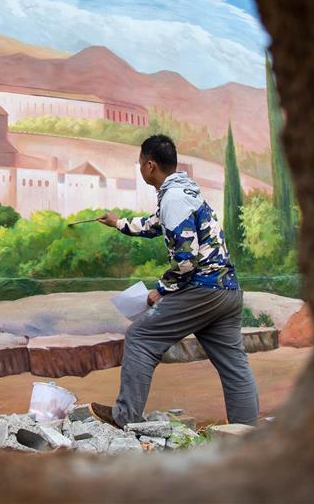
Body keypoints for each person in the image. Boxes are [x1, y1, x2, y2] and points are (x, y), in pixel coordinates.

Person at [91, 134, 259, 428]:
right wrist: (118, 222)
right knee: (235, 367)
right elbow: (153, 225)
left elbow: (186, 260)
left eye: (141, 163)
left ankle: (125, 417)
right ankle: (246, 434)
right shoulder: (185, 193)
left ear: (151, 165)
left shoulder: (174, 199)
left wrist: (161, 290)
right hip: (227, 290)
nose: (140, 167)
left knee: (141, 338)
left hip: (204, 289)